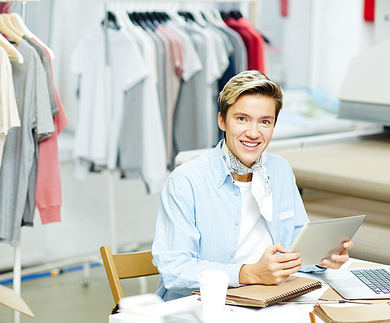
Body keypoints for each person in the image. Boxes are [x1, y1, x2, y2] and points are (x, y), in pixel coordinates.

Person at [152, 70, 354, 301]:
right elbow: (175, 269)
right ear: (222, 121)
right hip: (201, 305)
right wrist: (251, 273)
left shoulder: (280, 170)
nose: (253, 133)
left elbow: (296, 245)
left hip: (270, 298)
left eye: (265, 122)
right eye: (242, 119)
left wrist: (322, 256)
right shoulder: (185, 181)